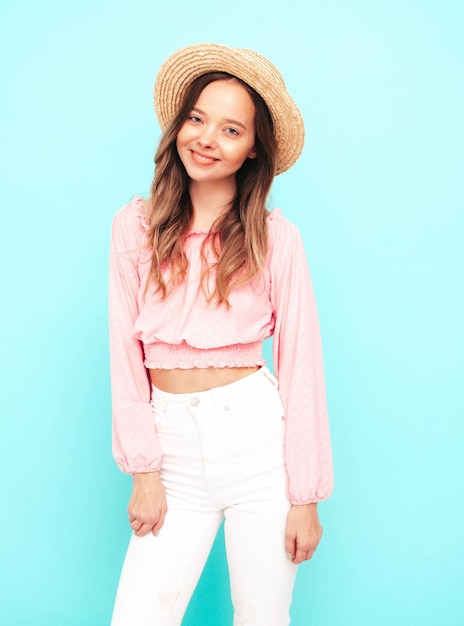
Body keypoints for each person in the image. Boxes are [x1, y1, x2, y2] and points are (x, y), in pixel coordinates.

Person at [109, 42, 333, 626]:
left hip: (259, 448)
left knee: (262, 618)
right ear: (179, 123)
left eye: (231, 129)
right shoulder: (134, 227)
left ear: (253, 148)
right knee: (138, 616)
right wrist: (145, 472)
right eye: (196, 118)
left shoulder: (276, 239)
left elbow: (302, 364)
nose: (206, 139)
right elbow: (124, 357)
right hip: (171, 449)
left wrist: (305, 496)